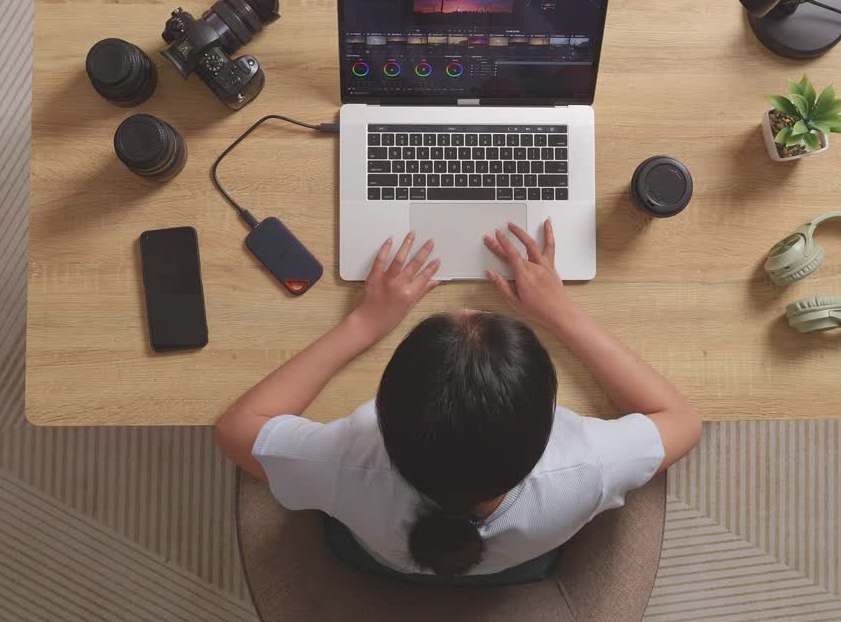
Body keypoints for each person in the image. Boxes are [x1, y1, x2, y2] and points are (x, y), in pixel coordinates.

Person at [216, 220, 702, 580]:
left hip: (377, 556)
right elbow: (681, 420)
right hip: (523, 563)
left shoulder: (343, 464)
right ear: (546, 429)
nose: (465, 305)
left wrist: (364, 324)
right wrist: (563, 312)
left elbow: (236, 427)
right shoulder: (585, 465)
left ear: (381, 416)